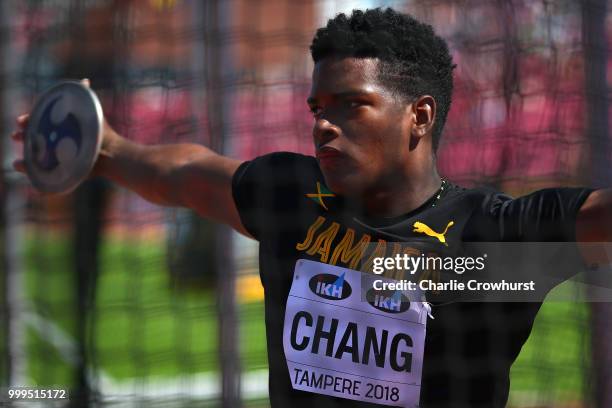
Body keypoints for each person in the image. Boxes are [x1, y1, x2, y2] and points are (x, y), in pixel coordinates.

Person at [12, 7, 612, 408]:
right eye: (317, 107)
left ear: (419, 117)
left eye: (351, 105)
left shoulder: (492, 240)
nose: (324, 125)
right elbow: (185, 175)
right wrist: (108, 149)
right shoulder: (293, 198)